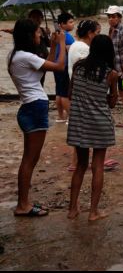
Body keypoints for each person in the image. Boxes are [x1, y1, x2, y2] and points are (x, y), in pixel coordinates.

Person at [7, 19, 66, 217]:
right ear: (29, 35)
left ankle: (24, 202)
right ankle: (23, 205)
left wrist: (55, 45)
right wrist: (62, 45)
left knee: (28, 159)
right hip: (34, 107)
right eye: (37, 33)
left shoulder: (15, 55)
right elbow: (58, 66)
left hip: (29, 107)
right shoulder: (25, 56)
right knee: (29, 161)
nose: (40, 36)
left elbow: (45, 67)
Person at [66, 35, 119, 221]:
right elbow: (112, 103)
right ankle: (93, 212)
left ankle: (72, 209)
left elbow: (71, 93)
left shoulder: (78, 67)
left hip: (80, 122)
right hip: (100, 123)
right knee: (98, 167)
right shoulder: (111, 73)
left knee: (80, 165)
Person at [66, 20, 119, 172]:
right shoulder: (84, 50)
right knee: (96, 163)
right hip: (93, 105)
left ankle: (76, 164)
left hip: (80, 102)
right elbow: (112, 101)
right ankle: (77, 163)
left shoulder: (77, 51)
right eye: (96, 32)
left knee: (81, 159)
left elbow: (71, 91)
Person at [53, 12, 75, 123]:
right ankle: (71, 117)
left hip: (56, 66)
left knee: (59, 92)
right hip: (64, 66)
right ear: (62, 24)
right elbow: (70, 52)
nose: (73, 24)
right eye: (70, 22)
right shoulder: (67, 37)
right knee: (65, 93)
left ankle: (61, 116)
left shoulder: (57, 34)